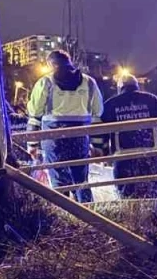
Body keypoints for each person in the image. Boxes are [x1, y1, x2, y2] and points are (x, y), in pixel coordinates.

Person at [26, 50, 104, 202]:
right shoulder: (89, 82)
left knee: (58, 182)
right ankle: (88, 211)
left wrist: (32, 145)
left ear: (51, 64)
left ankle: (63, 211)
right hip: (79, 137)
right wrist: (98, 146)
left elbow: (35, 115)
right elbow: (98, 113)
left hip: (54, 138)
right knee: (81, 180)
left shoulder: (45, 82)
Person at [100, 75, 157, 198]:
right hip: (150, 155)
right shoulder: (153, 100)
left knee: (126, 195)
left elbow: (101, 132)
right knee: (151, 194)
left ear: (120, 88)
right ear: (137, 86)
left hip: (123, 158)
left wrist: (104, 153)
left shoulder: (110, 104)